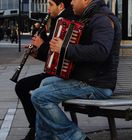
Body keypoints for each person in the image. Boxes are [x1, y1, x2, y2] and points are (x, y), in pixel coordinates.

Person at [31, 0, 122, 140]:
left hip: (96, 84)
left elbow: (101, 51)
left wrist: (64, 48)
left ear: (86, 1)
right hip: (88, 78)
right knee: (45, 83)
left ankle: (77, 137)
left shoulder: (102, 20)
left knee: (39, 96)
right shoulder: (90, 17)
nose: (71, 2)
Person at [15, 0, 75, 140]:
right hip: (55, 72)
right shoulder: (58, 19)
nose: (48, 9)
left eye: (50, 4)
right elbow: (53, 56)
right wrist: (37, 53)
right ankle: (36, 128)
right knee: (23, 87)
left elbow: (60, 53)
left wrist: (41, 45)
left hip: (61, 75)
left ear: (61, 6)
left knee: (23, 87)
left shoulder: (64, 21)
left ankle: (36, 129)